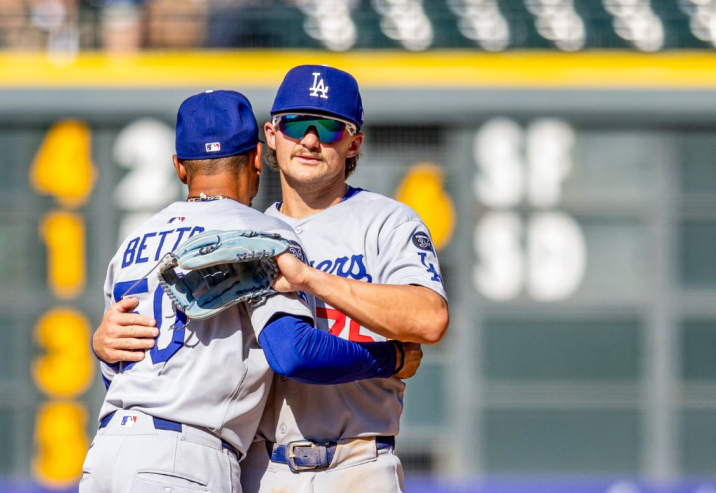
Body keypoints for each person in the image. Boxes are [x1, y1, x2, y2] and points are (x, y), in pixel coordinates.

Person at [93, 66, 449, 492]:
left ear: (354, 143)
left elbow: (430, 320)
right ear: (271, 137)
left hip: (359, 461)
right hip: (261, 470)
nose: (311, 140)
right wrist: (103, 342)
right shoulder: (241, 234)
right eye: (297, 124)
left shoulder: (386, 221)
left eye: (331, 129)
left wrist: (314, 280)